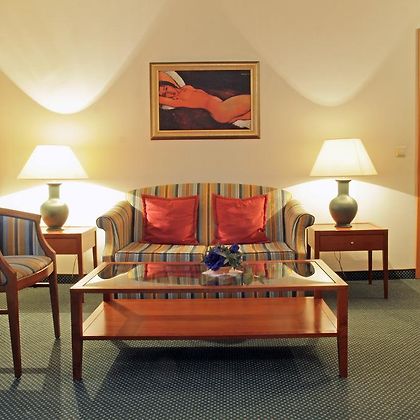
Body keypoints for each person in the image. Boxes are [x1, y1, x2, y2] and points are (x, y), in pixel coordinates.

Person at [158, 72, 251, 125]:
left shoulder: (184, 87)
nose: (168, 93)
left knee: (256, 112)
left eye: (166, 88)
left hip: (222, 110)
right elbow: (156, 98)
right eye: (164, 95)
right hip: (221, 110)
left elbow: (161, 73)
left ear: (169, 84)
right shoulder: (177, 101)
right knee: (254, 101)